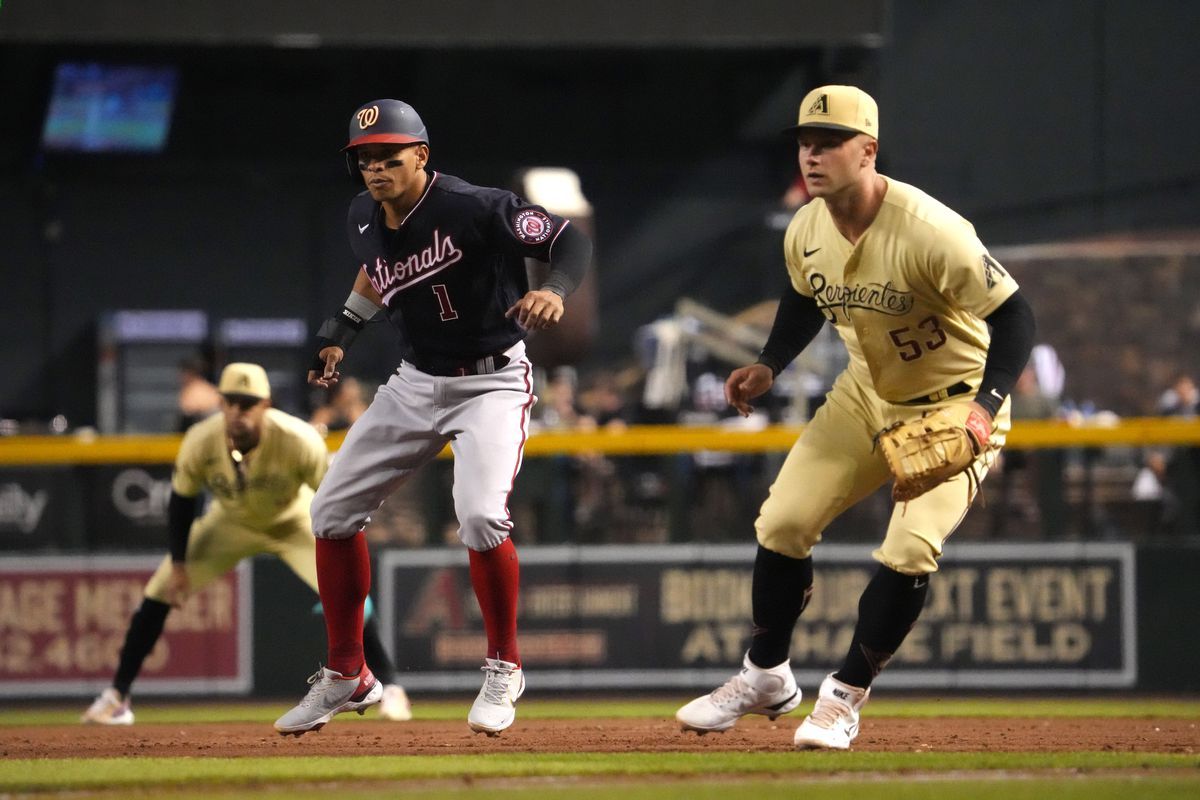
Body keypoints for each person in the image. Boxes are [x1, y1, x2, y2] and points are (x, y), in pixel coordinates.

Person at [675, 85, 1035, 749]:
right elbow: (805, 295)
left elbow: (1015, 316)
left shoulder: (932, 231)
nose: (812, 156)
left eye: (829, 143)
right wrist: (771, 363)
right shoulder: (807, 226)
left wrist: (983, 413)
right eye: (806, 144)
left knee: (908, 550)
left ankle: (842, 698)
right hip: (864, 394)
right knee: (782, 524)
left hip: (952, 404)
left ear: (867, 151)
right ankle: (765, 676)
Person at [274, 100, 591, 737]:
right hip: (416, 382)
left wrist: (553, 289)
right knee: (330, 513)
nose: (376, 168)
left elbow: (569, 240)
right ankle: (348, 674)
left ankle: (504, 666)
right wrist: (343, 327)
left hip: (493, 380)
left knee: (478, 516)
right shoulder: (362, 214)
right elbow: (378, 272)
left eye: (390, 156)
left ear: (421, 155)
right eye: (365, 158)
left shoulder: (475, 206)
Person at [82, 363, 411, 725]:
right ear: (220, 403)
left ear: (265, 404)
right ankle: (117, 697)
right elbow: (182, 501)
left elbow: (335, 498)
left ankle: (392, 688)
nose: (237, 412)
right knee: (158, 592)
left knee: (352, 598)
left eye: (247, 403)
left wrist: (337, 562)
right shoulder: (202, 439)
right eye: (231, 402)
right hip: (231, 522)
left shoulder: (298, 438)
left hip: (292, 519)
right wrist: (179, 565)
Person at [176, 356, 222, 432]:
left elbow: (188, 411)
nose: (180, 377)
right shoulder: (193, 388)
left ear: (190, 373)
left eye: (183, 373)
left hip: (210, 425)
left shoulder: (196, 389)